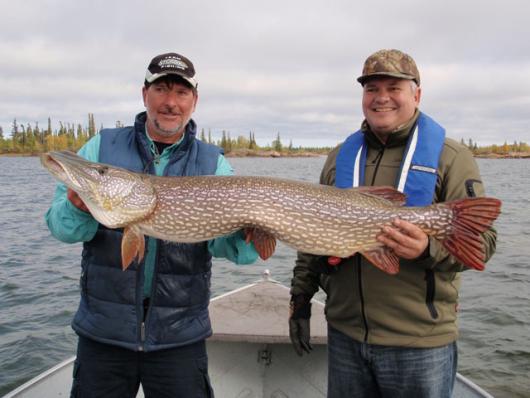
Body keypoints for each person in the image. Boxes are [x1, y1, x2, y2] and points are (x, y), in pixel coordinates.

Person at [45, 52, 258, 398]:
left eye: (181, 92)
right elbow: (62, 229)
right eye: (161, 89)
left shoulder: (212, 163)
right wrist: (79, 208)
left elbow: (231, 250)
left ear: (194, 101)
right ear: (145, 94)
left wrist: (252, 232)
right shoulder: (101, 148)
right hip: (104, 335)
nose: (170, 102)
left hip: (179, 338)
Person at [289, 49, 497, 398]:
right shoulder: (340, 156)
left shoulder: (452, 157)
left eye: (393, 87)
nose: (381, 97)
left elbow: (484, 243)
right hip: (346, 336)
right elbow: (312, 233)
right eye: (371, 89)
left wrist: (426, 248)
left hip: (418, 343)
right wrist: (300, 299)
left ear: (416, 93)